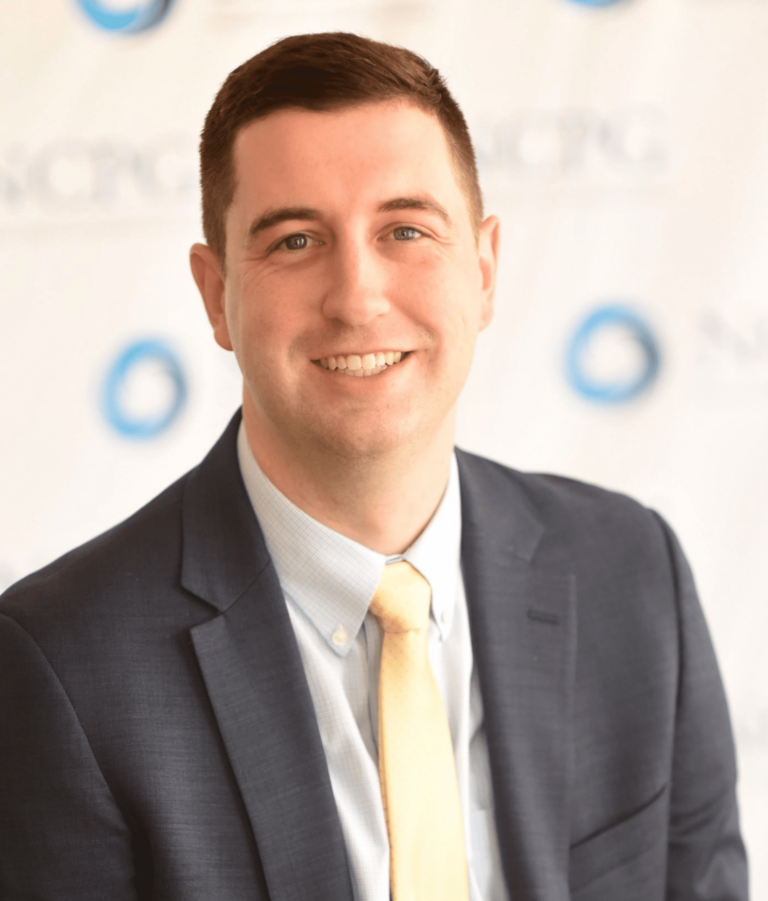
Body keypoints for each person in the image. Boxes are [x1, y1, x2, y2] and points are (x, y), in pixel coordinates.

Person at [0, 32, 748, 901]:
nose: (357, 297)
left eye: (405, 230)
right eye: (294, 241)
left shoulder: (634, 573)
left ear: (484, 269)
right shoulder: (63, 665)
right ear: (216, 296)